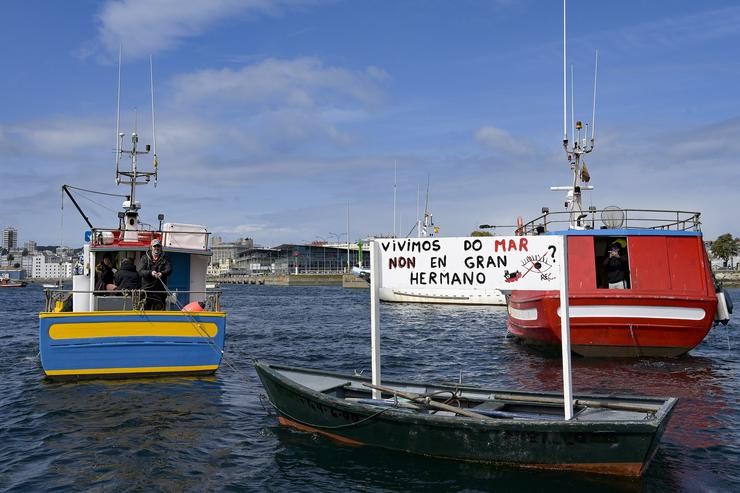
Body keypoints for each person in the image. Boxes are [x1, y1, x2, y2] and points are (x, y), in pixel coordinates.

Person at [137, 238, 172, 310]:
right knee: (145, 311)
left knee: (159, 313)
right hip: (146, 291)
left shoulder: (166, 258)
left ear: (161, 248)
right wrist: (150, 273)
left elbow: (169, 270)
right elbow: (140, 271)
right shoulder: (144, 258)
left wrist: (162, 273)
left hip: (160, 291)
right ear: (151, 247)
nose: (156, 248)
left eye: (158, 246)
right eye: (154, 246)